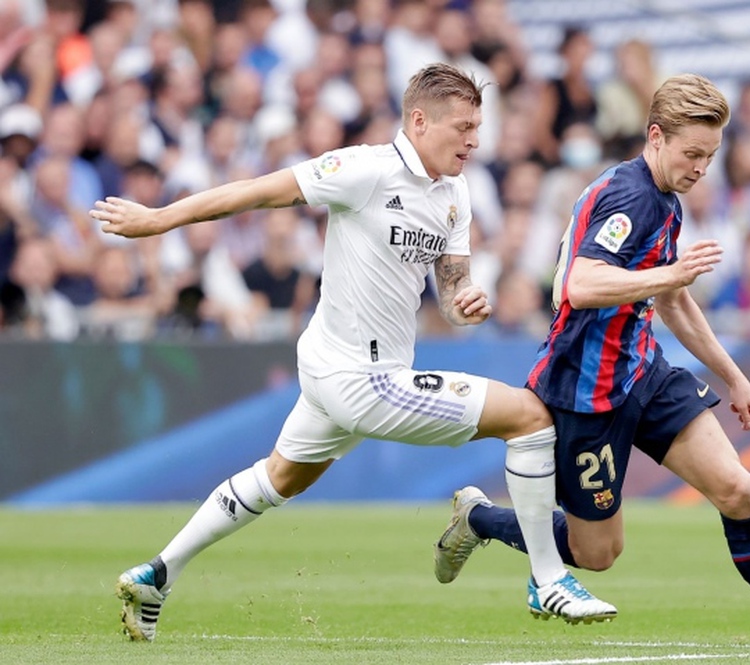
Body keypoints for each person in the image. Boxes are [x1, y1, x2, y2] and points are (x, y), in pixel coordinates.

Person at [90, 63, 615, 642]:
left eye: (478, 126)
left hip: (339, 369)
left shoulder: (453, 192)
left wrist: (461, 298)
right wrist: (159, 218)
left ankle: (157, 573)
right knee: (531, 419)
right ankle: (546, 576)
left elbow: (449, 279)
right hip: (359, 376)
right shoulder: (363, 169)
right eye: (463, 126)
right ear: (419, 121)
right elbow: (257, 191)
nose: (474, 140)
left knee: (281, 478)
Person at [433, 73, 750, 651]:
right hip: (584, 390)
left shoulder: (665, 198)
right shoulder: (630, 195)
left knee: (739, 489)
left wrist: (734, 377)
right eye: (692, 153)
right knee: (598, 555)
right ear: (656, 135)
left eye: (710, 157)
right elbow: (578, 284)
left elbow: (671, 298)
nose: (700, 168)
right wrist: (673, 272)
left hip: (644, 370)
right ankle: (479, 518)